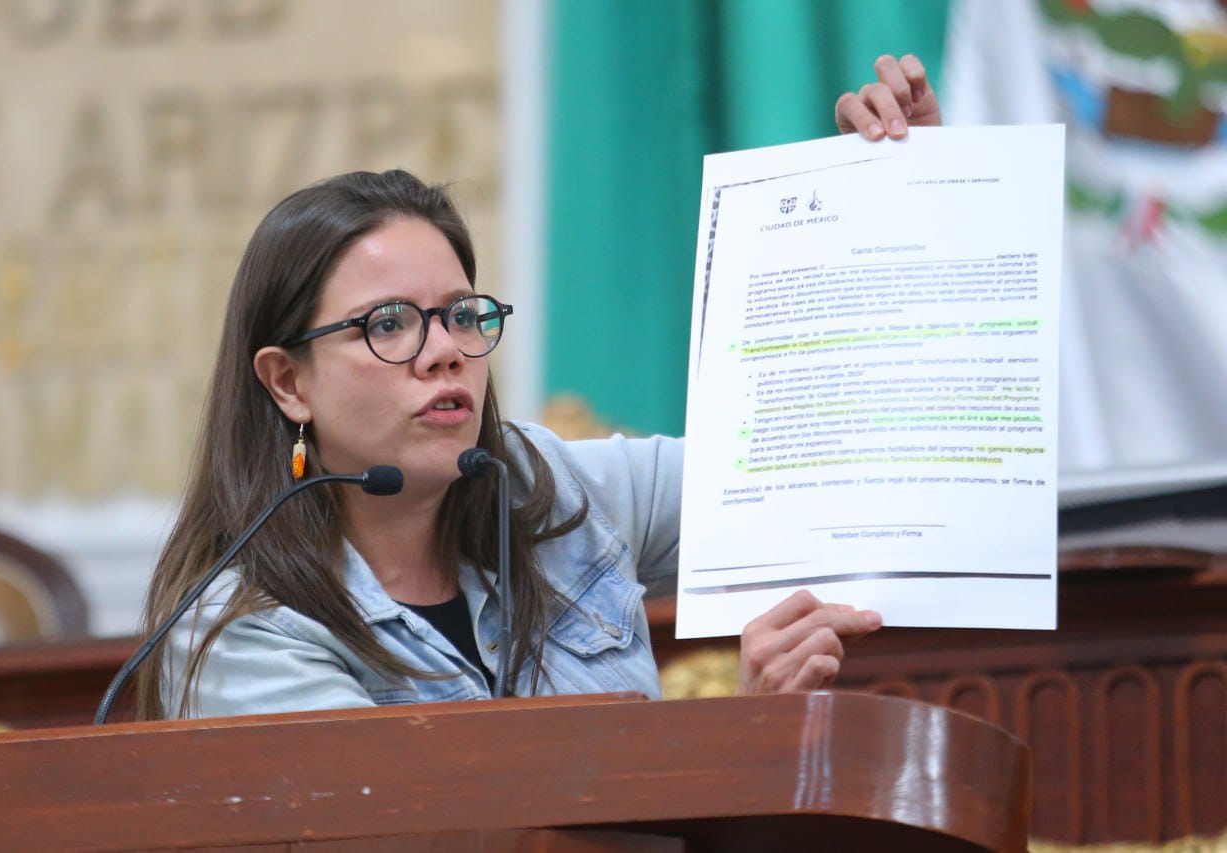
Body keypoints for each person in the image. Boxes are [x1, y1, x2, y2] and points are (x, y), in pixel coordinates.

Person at [139, 56, 933, 721]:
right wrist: (741, 740)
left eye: (461, 315)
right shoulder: (242, 633)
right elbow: (446, 829)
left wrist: (902, 195)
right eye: (388, 324)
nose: (444, 352)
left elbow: (823, 470)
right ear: (287, 383)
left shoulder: (550, 489)